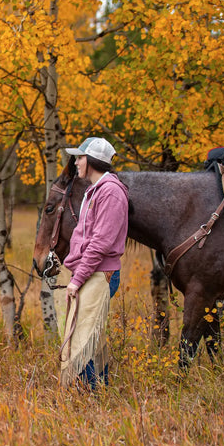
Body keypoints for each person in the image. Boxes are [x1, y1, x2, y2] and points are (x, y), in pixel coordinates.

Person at [60, 136, 128, 390]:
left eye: (80, 157)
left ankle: (91, 395)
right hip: (91, 271)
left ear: (92, 160)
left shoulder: (110, 192)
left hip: (99, 274)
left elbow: (100, 243)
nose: (76, 162)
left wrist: (77, 280)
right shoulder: (97, 188)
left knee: (84, 338)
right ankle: (96, 390)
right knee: (91, 337)